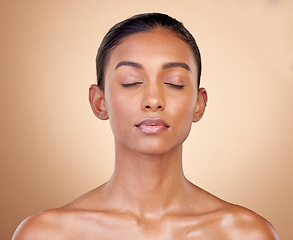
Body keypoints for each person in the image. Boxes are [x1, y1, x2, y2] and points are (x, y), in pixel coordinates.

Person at [13, 13, 279, 239]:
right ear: (99, 101)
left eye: (174, 82)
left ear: (199, 104)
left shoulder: (245, 234)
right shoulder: (46, 234)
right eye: (131, 81)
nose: (153, 100)